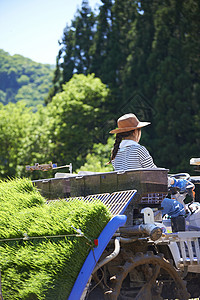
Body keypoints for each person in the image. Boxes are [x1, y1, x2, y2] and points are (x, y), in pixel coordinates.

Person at [109, 113, 187, 231]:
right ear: (136, 132)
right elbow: (155, 177)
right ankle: (183, 245)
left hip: (127, 202)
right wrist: (174, 182)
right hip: (144, 201)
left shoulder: (115, 153)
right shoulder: (139, 149)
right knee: (178, 208)